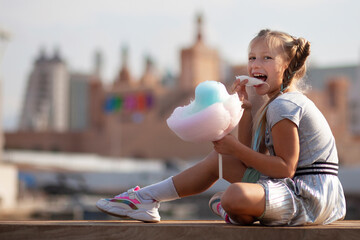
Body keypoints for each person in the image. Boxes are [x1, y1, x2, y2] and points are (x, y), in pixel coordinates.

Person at [96, 29, 346, 226]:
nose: (256, 64)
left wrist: (234, 147)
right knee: (222, 159)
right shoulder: (274, 104)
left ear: (287, 64)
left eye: (267, 58)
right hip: (301, 191)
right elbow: (250, 156)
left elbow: (285, 168)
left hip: (309, 196)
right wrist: (245, 109)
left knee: (233, 196)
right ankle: (146, 199)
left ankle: (150, 198)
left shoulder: (284, 105)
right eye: (252, 58)